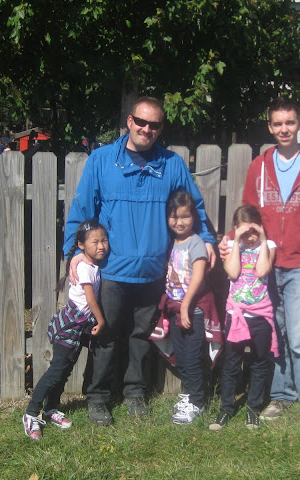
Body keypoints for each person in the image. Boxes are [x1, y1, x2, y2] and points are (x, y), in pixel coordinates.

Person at [63, 96, 216, 426]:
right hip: (112, 270)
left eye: (154, 124)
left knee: (141, 337)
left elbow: (194, 207)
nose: (147, 129)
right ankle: (98, 396)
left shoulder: (171, 164)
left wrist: (206, 239)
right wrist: (74, 252)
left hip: (153, 272)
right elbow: (82, 211)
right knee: (104, 335)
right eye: (141, 122)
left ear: (161, 128)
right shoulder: (102, 161)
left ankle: (134, 392)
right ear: (129, 121)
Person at [219, 97, 300, 429]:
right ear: (270, 127)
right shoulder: (259, 166)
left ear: (299, 124)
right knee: (276, 333)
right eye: (278, 123)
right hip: (265, 265)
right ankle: (282, 396)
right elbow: (247, 215)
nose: (284, 129)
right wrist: (231, 239)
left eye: (290, 122)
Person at [23, 219, 109, 440]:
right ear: (81, 244)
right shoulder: (85, 268)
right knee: (56, 371)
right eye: (95, 242)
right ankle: (31, 413)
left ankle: (51, 408)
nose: (101, 246)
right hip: (70, 327)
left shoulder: (89, 264)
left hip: (78, 326)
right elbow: (90, 299)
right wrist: (101, 321)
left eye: (104, 240)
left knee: (65, 370)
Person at [153, 190, 221, 425]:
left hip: (194, 310)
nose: (179, 222)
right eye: (174, 217)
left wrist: (185, 307)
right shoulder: (173, 242)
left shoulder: (196, 243)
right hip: (175, 308)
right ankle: (191, 394)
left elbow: (198, 277)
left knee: (192, 356)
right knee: (181, 356)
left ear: (194, 217)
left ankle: (197, 402)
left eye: (185, 216)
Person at [209, 205, 277, 431]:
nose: (250, 237)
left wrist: (263, 238)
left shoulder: (268, 246)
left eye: (254, 232)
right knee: (231, 362)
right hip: (236, 315)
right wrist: (236, 241)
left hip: (260, 315)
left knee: (259, 362)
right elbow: (233, 273)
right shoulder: (231, 246)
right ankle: (226, 408)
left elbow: (262, 271)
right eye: (244, 232)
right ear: (236, 229)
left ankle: (253, 408)